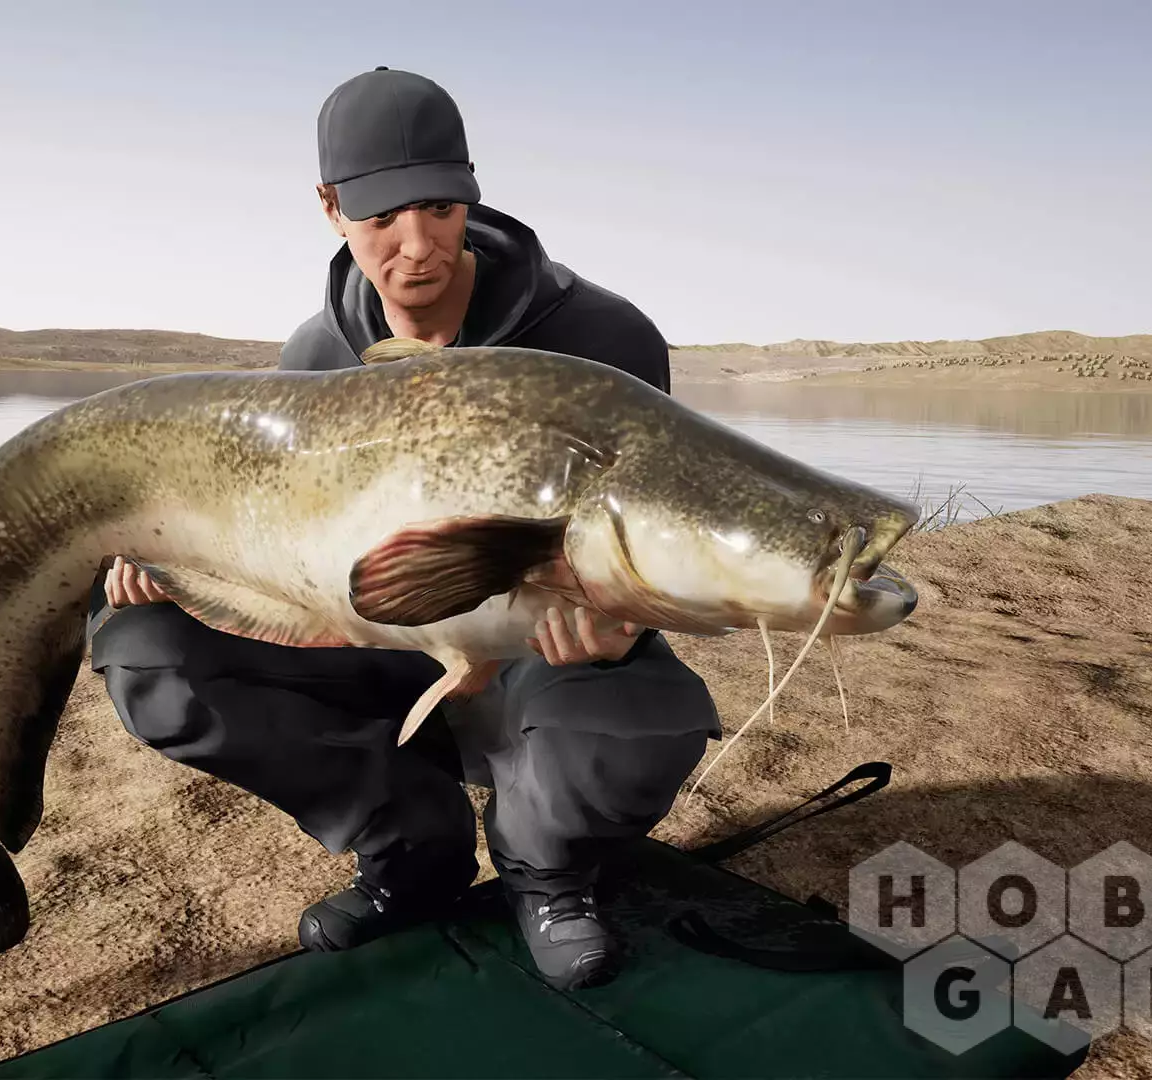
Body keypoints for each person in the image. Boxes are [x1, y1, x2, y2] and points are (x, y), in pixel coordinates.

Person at [85, 66, 721, 991]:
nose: (418, 246)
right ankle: (411, 854)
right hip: (376, 640)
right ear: (330, 206)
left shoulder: (603, 336)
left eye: (440, 209)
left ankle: (548, 874)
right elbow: (285, 539)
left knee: (639, 724)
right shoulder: (313, 357)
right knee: (148, 654)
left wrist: (622, 621)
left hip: (543, 645)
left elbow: (656, 530)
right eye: (382, 217)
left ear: (472, 194)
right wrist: (176, 565)